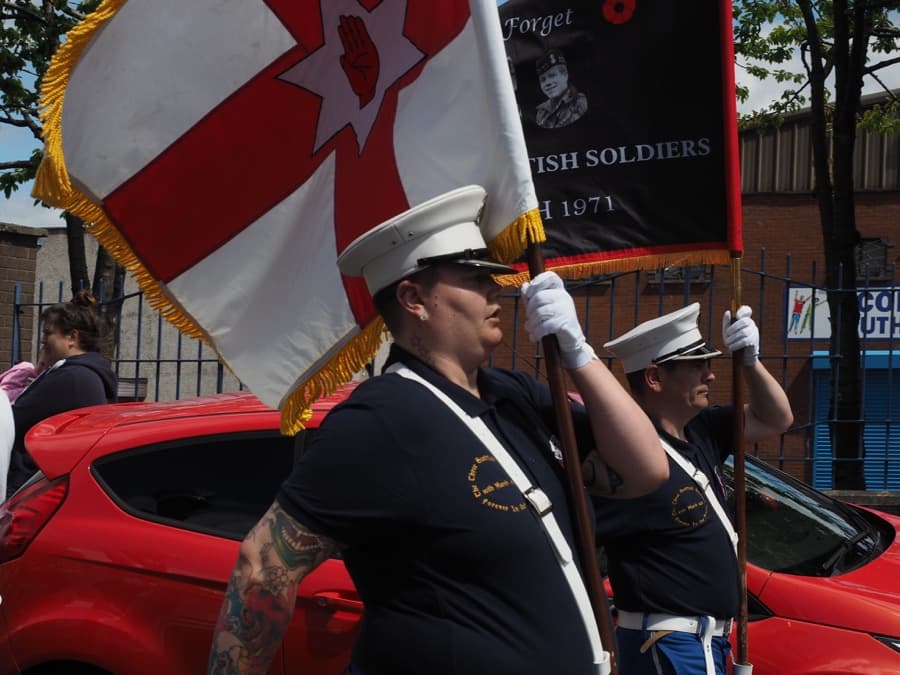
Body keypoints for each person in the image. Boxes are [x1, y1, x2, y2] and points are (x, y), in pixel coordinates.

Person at [207, 185, 668, 675]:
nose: (498, 289)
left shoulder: (516, 396)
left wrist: (579, 352)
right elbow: (262, 567)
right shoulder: (382, 419)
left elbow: (646, 470)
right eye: (474, 278)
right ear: (413, 299)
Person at [594, 303, 793, 675]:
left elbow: (776, 418)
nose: (711, 375)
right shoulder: (625, 456)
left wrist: (749, 361)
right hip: (669, 642)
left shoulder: (703, 430)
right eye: (697, 366)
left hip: (707, 641)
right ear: (655, 377)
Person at [7, 290, 118, 497]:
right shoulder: (84, 374)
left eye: (48, 333)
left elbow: (11, 420)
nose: (43, 341)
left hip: (30, 489)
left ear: (72, 337)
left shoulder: (71, 378)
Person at [535, 48, 588, 129]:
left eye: (552, 75)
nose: (547, 83)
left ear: (565, 74)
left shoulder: (578, 101)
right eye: (543, 79)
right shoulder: (541, 111)